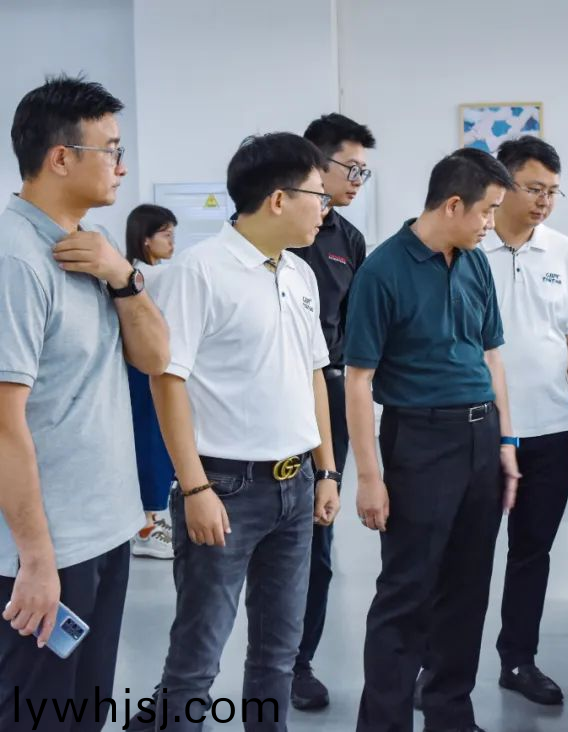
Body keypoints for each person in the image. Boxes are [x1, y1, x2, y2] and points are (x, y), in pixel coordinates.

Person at [130, 133, 342, 732]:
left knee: (278, 653)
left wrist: (326, 470)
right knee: (197, 658)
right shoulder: (199, 272)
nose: (324, 209)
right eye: (318, 195)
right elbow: (167, 381)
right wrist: (195, 488)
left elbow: (313, 375)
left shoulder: (299, 273)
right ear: (278, 199)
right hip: (224, 488)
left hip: (295, 488)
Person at [0, 75, 169, 731]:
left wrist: (124, 277)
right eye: (111, 150)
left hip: (103, 532)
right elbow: (5, 426)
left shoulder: (94, 252)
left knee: (83, 709)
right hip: (46, 551)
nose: (122, 166)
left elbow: (154, 358)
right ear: (60, 157)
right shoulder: (17, 260)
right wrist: (36, 561)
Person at [346, 147, 520, 732]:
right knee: (407, 593)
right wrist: (369, 478)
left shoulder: (475, 263)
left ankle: (450, 714)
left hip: (481, 437)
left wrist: (506, 442)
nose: (491, 222)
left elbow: (491, 357)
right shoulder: (382, 271)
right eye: (487, 210)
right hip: (418, 441)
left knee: (468, 589)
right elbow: (358, 380)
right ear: (452, 205)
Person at [483, 136, 568, 704]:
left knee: (532, 552)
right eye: (534, 189)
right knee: (463, 555)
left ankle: (518, 661)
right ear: (501, 185)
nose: (544, 201)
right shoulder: (469, 245)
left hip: (550, 429)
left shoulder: (564, 252)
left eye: (552, 191)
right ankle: (439, 667)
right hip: (479, 429)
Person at [289, 112, 376, 711]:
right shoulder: (276, 227)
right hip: (271, 398)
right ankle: (193, 678)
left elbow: (354, 327)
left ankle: (298, 663)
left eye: (365, 171)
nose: (358, 181)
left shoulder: (350, 240)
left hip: (329, 402)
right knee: (234, 550)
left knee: (317, 537)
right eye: (352, 168)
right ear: (317, 162)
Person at [125, 204, 179, 560]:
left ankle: (150, 521)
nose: (173, 242)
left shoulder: (135, 273)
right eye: (166, 235)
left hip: (143, 371)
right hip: (148, 372)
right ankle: (149, 526)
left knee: (154, 445)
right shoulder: (150, 276)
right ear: (145, 239)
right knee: (153, 445)